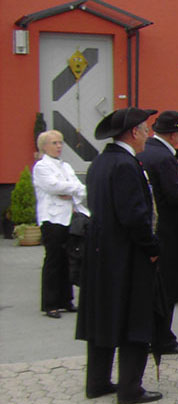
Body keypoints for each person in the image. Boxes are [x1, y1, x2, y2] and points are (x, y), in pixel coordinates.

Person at [76, 107, 163, 404]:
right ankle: (130, 388)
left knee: (103, 316)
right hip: (127, 255)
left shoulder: (100, 161)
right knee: (133, 319)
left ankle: (97, 381)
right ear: (134, 132)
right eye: (145, 130)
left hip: (101, 253)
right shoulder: (126, 165)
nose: (148, 135)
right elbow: (134, 216)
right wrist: (152, 248)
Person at [137, 110, 178, 355]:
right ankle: (163, 338)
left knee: (153, 287)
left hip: (151, 228)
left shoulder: (145, 151)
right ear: (174, 134)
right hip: (167, 231)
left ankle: (151, 335)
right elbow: (174, 195)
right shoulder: (165, 157)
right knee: (167, 287)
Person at [32, 130, 89, 318]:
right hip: (52, 218)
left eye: (60, 142)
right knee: (54, 260)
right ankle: (50, 304)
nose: (59, 146)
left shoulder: (66, 166)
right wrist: (71, 190)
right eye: (54, 143)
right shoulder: (42, 167)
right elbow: (53, 186)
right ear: (44, 146)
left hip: (68, 217)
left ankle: (66, 300)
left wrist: (69, 192)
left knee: (68, 259)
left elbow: (81, 189)